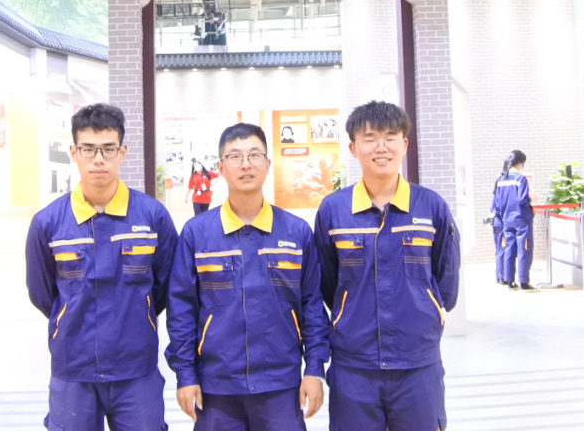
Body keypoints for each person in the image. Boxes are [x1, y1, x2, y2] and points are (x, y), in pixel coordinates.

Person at [166, 123, 330, 431]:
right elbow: (181, 309)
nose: (245, 165)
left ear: (267, 164)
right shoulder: (197, 234)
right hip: (216, 388)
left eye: (254, 155)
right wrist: (185, 375)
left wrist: (315, 369)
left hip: (281, 385)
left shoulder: (296, 232)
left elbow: (312, 306)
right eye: (235, 156)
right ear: (220, 168)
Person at [26, 103, 178, 431]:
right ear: (74, 152)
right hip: (73, 369)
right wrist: (70, 318)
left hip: (136, 369)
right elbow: (42, 294)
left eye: (108, 149)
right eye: (88, 149)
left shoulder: (153, 217)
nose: (98, 159)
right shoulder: (48, 223)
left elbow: (166, 287)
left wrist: (139, 313)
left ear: (122, 152)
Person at [314, 101, 460, 431]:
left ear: (404, 144)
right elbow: (327, 283)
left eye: (390, 137)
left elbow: (446, 282)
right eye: (370, 138)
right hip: (354, 365)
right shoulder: (333, 211)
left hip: (417, 364)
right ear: (353, 148)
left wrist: (425, 307)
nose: (381, 147)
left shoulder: (431, 207)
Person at [497, 150, 535, 291]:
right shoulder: (520, 179)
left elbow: (499, 201)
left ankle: (509, 280)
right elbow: (522, 199)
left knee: (509, 249)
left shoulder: (501, 180)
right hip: (521, 220)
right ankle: (524, 281)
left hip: (507, 219)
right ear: (521, 163)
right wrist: (531, 199)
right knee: (524, 250)